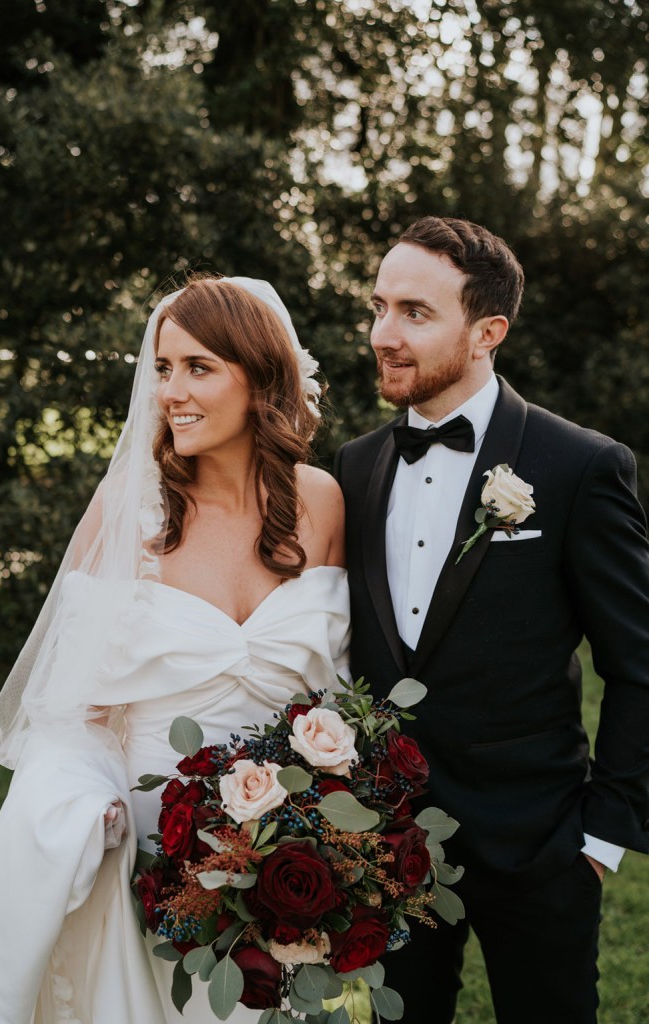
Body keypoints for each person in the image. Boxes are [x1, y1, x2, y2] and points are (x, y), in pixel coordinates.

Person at [0, 276, 349, 1023]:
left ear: (259, 378)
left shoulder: (322, 501)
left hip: (284, 859)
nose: (170, 389)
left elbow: (336, 695)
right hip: (152, 850)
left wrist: (334, 838)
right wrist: (84, 803)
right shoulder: (131, 513)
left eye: (198, 367)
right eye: (164, 367)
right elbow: (67, 710)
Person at [334, 216, 649, 1024]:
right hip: (386, 850)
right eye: (378, 307)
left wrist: (600, 842)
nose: (382, 334)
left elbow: (637, 662)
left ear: (487, 332)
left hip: (538, 850)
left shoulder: (579, 465)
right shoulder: (352, 469)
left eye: (414, 312)